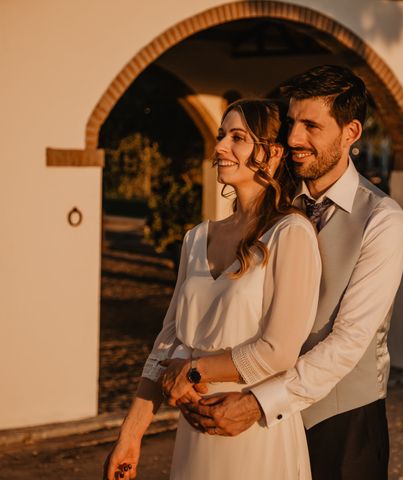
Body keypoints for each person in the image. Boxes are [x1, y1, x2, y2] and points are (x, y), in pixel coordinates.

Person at [183, 65, 403, 479]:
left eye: (311, 126)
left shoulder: (382, 218)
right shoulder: (274, 209)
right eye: (291, 123)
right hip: (262, 422)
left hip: (342, 425)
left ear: (351, 132)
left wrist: (257, 403)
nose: (293, 138)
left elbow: (349, 341)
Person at [103, 99, 322, 480]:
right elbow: (166, 343)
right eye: (222, 136)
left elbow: (278, 351)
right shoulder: (196, 238)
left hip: (254, 427)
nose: (220, 147)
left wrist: (190, 372)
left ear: (271, 154)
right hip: (194, 432)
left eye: (237, 138)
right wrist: (131, 436)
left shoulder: (292, 234)